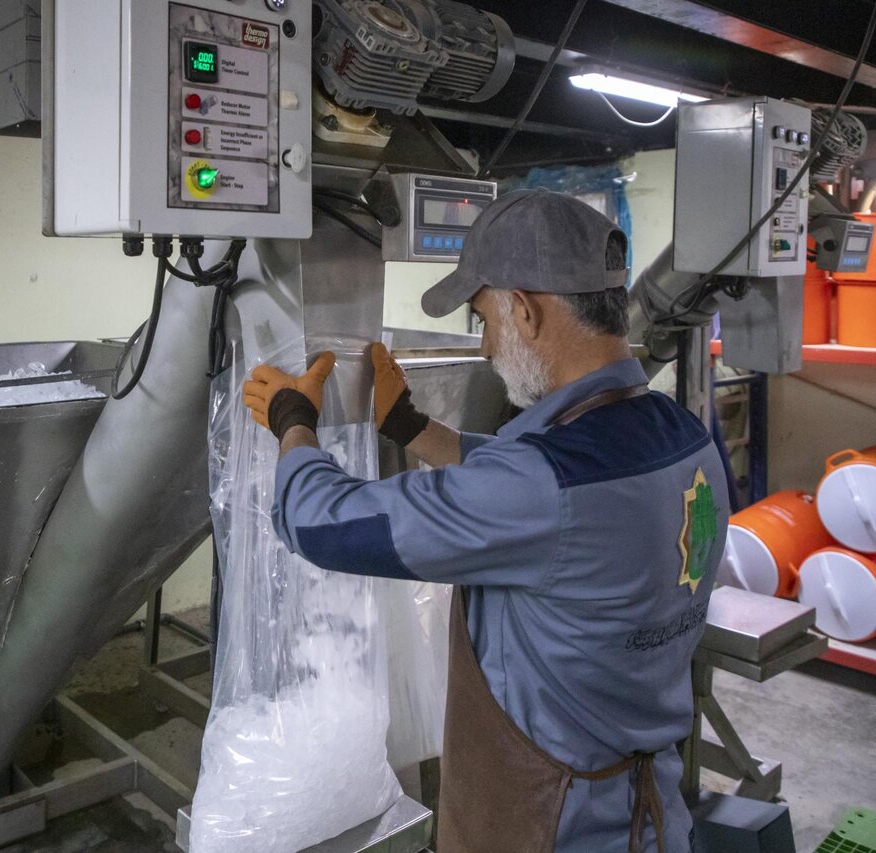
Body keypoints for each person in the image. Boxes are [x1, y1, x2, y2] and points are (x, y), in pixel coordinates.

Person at [242, 189, 729, 853]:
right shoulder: (687, 439)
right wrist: (415, 430)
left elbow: (320, 522)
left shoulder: (538, 489)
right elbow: (540, 483)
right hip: (651, 814)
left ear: (525, 310)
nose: (484, 347)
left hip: (550, 826)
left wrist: (293, 423)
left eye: (484, 319)